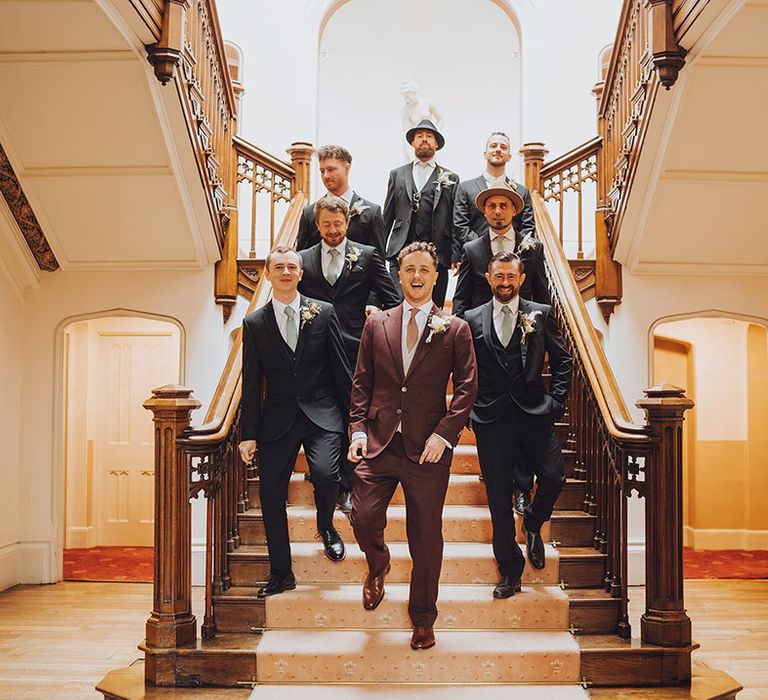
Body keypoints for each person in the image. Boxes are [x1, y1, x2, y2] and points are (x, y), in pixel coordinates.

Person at [348, 241, 477, 651]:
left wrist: (445, 434)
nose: (417, 276)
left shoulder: (454, 328)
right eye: (409, 269)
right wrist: (356, 431)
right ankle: (379, 562)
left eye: (424, 269)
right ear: (399, 274)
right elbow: (362, 383)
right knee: (362, 515)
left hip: (427, 450)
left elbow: (468, 389)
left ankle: (423, 617)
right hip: (380, 440)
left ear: (436, 275)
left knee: (426, 537)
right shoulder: (377, 324)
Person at [238, 246, 352, 598]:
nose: (286, 272)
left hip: (323, 413)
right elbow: (252, 381)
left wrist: (354, 422)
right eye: (279, 268)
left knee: (324, 473)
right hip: (278, 418)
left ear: (301, 274)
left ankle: (326, 526)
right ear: (269, 275)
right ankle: (281, 573)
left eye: (292, 267)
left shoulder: (324, 313)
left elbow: (340, 368)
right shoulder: (254, 323)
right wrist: (248, 435)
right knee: (272, 494)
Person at [465, 251, 572, 598]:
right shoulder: (471, 318)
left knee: (554, 477)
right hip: (491, 419)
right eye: (499, 277)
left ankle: (534, 522)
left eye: (511, 277)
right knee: (498, 499)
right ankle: (510, 571)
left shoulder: (540, 314)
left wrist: (555, 403)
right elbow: (464, 370)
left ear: (522, 279)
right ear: (488, 277)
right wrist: (469, 407)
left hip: (535, 414)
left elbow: (562, 359)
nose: (506, 283)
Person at [298, 195, 400, 513]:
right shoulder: (303, 259)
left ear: (347, 223)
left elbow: (394, 299)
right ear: (317, 225)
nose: (332, 230)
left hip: (356, 346)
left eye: (337, 224)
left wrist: (377, 319)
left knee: (351, 411)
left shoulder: (366, 257)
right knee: (319, 409)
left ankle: (349, 483)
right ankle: (323, 467)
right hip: (314, 350)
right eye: (326, 224)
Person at [383, 119, 458, 307]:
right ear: (412, 142)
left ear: (436, 143)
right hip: (400, 249)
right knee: (398, 305)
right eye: (419, 136)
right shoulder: (397, 174)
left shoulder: (451, 178)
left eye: (429, 136)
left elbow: (455, 219)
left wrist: (456, 254)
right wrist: (378, 250)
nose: (424, 139)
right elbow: (387, 216)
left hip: (438, 253)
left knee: (433, 308)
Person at [453, 183, 548, 317]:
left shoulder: (534, 249)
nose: (497, 211)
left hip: (521, 327)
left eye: (504, 206)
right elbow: (461, 299)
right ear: (484, 211)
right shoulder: (471, 250)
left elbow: (542, 297)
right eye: (492, 206)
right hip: (482, 330)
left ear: (514, 210)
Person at [452, 131, 536, 261]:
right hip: (475, 258)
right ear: (485, 154)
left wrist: (513, 251)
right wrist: (482, 247)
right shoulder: (465, 188)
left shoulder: (522, 191)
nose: (498, 150)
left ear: (509, 156)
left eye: (503, 147)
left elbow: (528, 227)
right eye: (493, 146)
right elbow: (460, 225)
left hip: (513, 260)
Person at [296, 145, 386, 255]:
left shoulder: (372, 213)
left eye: (331, 169)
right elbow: (302, 259)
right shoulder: (309, 213)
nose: (325, 176)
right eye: (322, 171)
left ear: (347, 168)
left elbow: (378, 263)